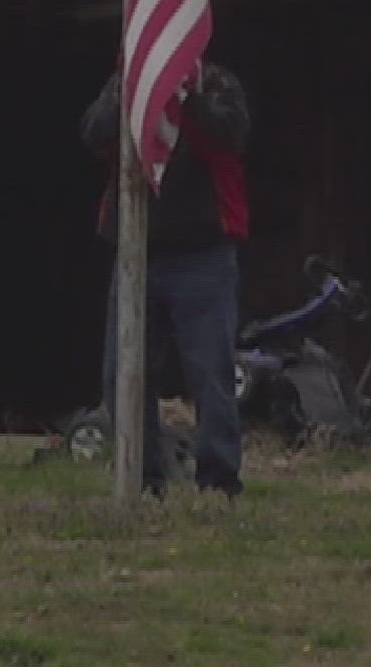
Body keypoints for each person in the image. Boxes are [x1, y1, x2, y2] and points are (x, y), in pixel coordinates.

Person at [80, 61, 250, 498]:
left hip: (203, 253)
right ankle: (144, 478)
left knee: (211, 372)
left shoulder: (217, 84)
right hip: (137, 252)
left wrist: (185, 98)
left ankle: (218, 481)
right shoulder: (123, 83)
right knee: (124, 373)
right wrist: (127, 95)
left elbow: (229, 134)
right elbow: (94, 134)